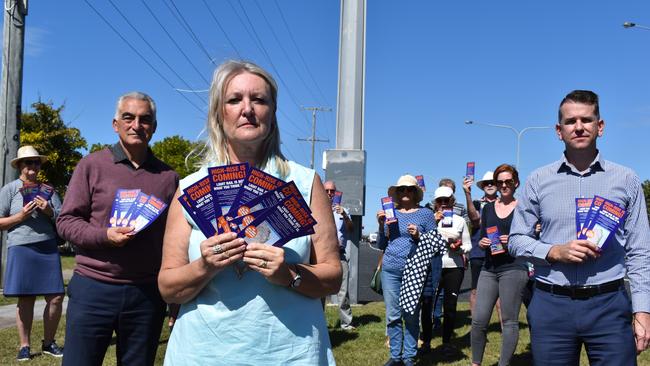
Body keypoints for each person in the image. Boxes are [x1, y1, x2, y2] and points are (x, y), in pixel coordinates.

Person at [158, 60, 341, 365]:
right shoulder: (190, 188)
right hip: (203, 353)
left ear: (272, 111)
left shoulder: (305, 182)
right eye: (234, 100)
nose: (247, 109)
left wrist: (291, 274)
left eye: (258, 99)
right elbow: (168, 288)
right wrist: (205, 265)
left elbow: (333, 276)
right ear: (220, 112)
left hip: (290, 353)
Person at [509, 90, 650, 365]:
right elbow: (515, 240)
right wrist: (554, 252)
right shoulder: (538, 180)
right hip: (552, 305)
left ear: (600, 126)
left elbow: (640, 251)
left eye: (586, 119)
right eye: (570, 121)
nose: (579, 126)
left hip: (609, 304)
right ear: (559, 131)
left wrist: (643, 310)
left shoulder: (627, 180)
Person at [57, 92, 179, 366]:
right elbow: (66, 221)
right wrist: (104, 236)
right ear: (115, 124)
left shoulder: (169, 177)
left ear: (154, 127)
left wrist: (174, 297)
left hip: (146, 293)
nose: (137, 125)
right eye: (129, 117)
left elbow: (173, 241)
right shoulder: (92, 165)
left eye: (145, 119)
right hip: (93, 287)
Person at [0, 146, 64, 361]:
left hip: (47, 247)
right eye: (28, 163)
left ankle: (49, 343)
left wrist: (49, 211)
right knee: (25, 299)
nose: (33, 166)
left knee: (56, 297)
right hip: (21, 247)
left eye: (36, 162)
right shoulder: (9, 190)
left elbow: (64, 220)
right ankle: (24, 346)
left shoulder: (49, 190)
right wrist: (20, 216)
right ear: (20, 166)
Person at [470, 164, 529, 366]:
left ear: (516, 183)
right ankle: (475, 363)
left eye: (508, 182)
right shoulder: (487, 208)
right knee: (478, 320)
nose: (504, 185)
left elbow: (530, 238)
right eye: (500, 182)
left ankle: (504, 364)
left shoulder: (523, 208)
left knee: (509, 321)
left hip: (513, 268)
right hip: (489, 267)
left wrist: (511, 240)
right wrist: (482, 242)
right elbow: (484, 237)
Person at [377, 174, 435, 366]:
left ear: (415, 192)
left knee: (410, 314)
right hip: (391, 268)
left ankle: (409, 356)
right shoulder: (390, 212)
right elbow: (381, 244)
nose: (405, 192)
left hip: (414, 269)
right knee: (393, 315)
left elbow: (434, 244)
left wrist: (419, 235)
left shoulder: (426, 214)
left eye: (409, 189)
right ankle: (395, 356)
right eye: (401, 189)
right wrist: (380, 225)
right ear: (396, 192)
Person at [430, 186, 471, 356]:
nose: (443, 204)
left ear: (453, 202)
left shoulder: (460, 220)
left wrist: (459, 247)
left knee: (450, 306)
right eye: (440, 201)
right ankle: (425, 339)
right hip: (433, 265)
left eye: (447, 200)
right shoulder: (428, 219)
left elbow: (468, 245)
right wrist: (433, 221)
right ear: (435, 203)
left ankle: (446, 342)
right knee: (427, 303)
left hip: (454, 266)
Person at [462, 171, 498, 316]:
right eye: (486, 183)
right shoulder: (476, 203)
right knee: (475, 290)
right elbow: (475, 221)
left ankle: (505, 329)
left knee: (500, 293)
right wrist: (468, 194)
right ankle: (476, 327)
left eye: (492, 182)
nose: (489, 185)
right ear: (482, 186)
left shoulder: (505, 203)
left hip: (499, 251)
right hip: (478, 252)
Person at [324, 180, 355, 330]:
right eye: (327, 191)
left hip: (339, 254)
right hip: (321, 255)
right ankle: (319, 323)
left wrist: (345, 215)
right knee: (320, 290)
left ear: (336, 193)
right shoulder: (317, 208)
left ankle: (346, 323)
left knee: (343, 291)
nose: (330, 194)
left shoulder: (343, 211)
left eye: (332, 191)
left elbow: (351, 229)